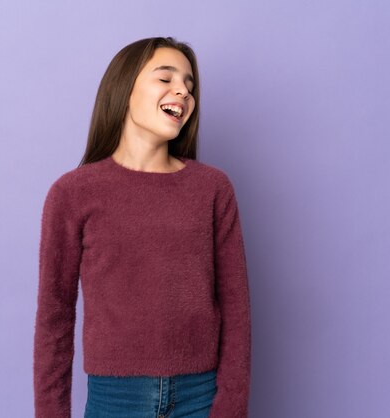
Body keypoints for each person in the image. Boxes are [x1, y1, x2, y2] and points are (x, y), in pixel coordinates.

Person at [33, 36, 252, 418]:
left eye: (189, 84)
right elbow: (55, 317)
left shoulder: (212, 189)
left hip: (200, 397)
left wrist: (230, 407)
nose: (182, 91)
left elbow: (236, 309)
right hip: (115, 400)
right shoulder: (72, 194)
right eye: (165, 78)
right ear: (124, 89)